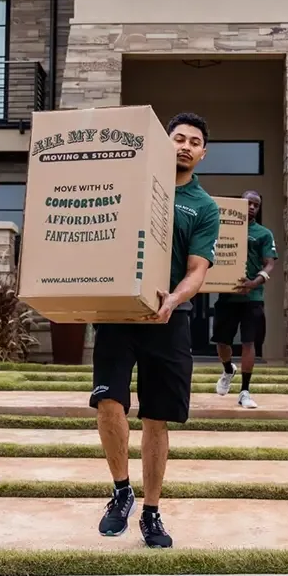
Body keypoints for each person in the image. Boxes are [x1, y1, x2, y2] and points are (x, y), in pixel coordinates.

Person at [89, 111, 220, 549]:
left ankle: (150, 512)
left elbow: (198, 270)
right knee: (109, 401)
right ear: (164, 143)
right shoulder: (133, 183)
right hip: (118, 313)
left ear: (203, 153)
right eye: (178, 138)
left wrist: (174, 300)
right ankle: (120, 490)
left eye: (194, 141)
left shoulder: (203, 207)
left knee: (156, 418)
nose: (185, 145)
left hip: (170, 320)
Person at [212, 190, 278, 409]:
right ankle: (228, 369)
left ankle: (245, 391)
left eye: (256, 205)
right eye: (248, 203)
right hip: (227, 296)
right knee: (222, 342)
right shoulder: (223, 229)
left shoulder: (263, 233)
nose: (252, 207)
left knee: (249, 343)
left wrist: (255, 282)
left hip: (252, 297)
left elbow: (269, 263)